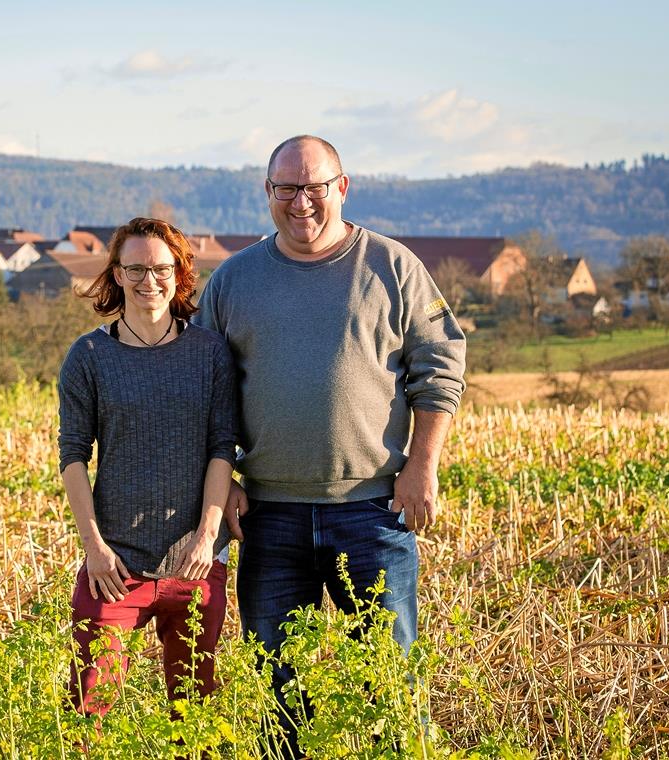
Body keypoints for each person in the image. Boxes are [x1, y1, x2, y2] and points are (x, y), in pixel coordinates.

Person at [194, 135, 466, 754]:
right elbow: (207, 391)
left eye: (314, 186)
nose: (301, 201)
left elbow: (440, 368)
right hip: (267, 517)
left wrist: (421, 466)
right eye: (285, 188)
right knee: (277, 697)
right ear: (268, 194)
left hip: (373, 513)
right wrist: (224, 481)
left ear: (342, 187)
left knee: (392, 691)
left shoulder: (393, 267)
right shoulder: (234, 280)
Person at [57, 216, 238, 717]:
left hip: (195, 563)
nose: (147, 280)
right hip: (114, 566)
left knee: (193, 714)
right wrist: (93, 547)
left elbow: (224, 447)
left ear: (180, 273)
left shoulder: (210, 353)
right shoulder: (89, 356)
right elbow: (73, 455)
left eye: (160, 268)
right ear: (115, 274)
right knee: (88, 705)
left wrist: (207, 536)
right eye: (134, 268)